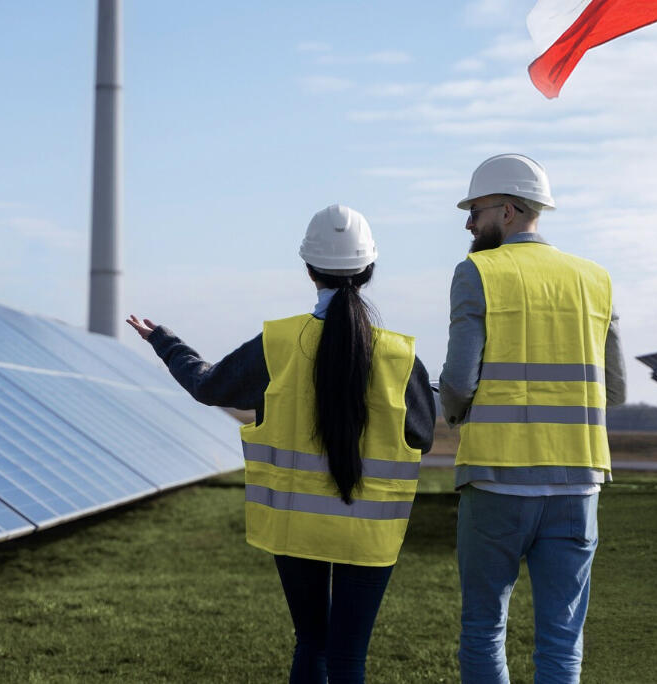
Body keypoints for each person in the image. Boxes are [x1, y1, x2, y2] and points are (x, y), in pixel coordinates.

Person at [127, 204, 435, 684]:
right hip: (371, 531)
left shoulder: (278, 343)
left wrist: (164, 341)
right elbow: (421, 433)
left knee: (312, 645)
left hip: (296, 526)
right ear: (369, 270)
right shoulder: (400, 355)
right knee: (349, 658)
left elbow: (210, 386)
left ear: (309, 270)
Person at [439, 154, 626, 684]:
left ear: (508, 209)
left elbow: (456, 383)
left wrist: (455, 416)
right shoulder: (596, 279)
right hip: (578, 486)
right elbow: (613, 389)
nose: (469, 224)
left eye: (475, 211)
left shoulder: (477, 272)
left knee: (483, 627)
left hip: (496, 482)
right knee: (562, 638)